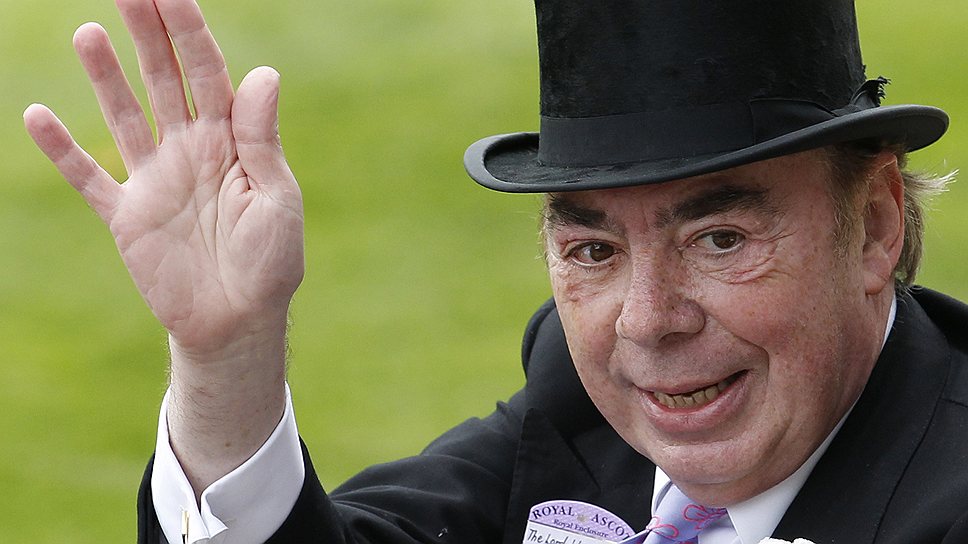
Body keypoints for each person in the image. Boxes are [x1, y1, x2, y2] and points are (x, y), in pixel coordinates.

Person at [23, 0, 968, 542]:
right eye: (593, 251)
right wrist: (227, 357)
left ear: (875, 225)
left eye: (719, 239)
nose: (647, 321)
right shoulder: (579, 411)